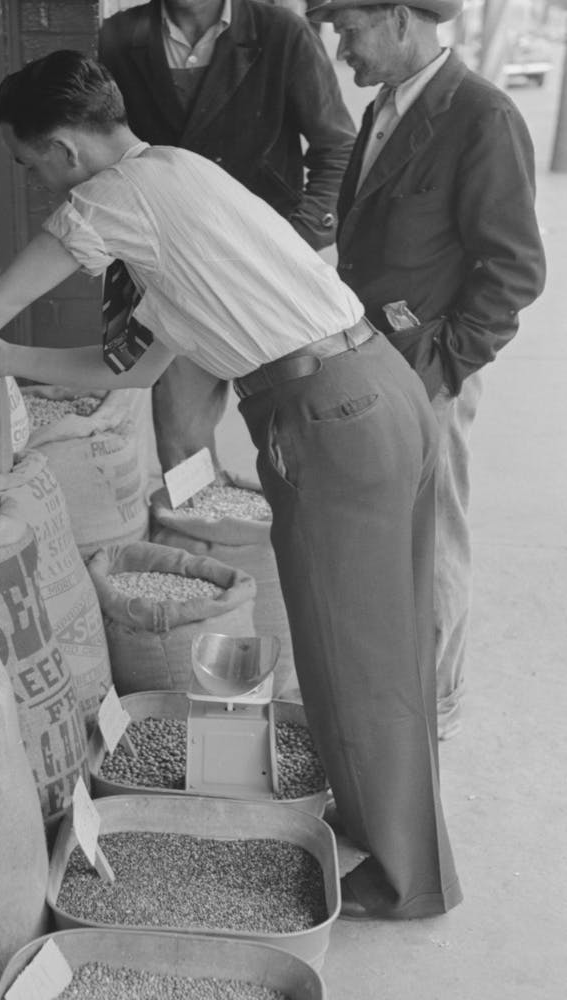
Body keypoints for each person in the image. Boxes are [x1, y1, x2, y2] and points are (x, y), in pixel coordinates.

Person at [0, 50, 462, 920]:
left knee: (349, 660)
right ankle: (410, 855)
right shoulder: (178, 176)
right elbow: (137, 367)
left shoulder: (109, 201)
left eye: (30, 162)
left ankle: (402, 879)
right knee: (388, 642)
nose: (37, 185)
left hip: (326, 418)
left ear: (66, 150)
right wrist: (14, 362)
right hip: (378, 392)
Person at [310, 0, 547, 739]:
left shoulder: (483, 117)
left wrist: (445, 368)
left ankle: (436, 707)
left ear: (399, 19)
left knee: (434, 530)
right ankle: (396, 683)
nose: (341, 47)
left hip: (431, 366)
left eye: (349, 29)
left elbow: (514, 272)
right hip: (379, 358)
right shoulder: (385, 105)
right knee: (391, 527)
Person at [98, 0, 356, 472]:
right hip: (175, 277)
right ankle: (199, 539)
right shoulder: (119, 36)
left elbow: (336, 146)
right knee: (181, 443)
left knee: (298, 435)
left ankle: (294, 540)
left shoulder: (282, 32)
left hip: (268, 275)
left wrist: (297, 240)